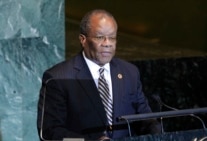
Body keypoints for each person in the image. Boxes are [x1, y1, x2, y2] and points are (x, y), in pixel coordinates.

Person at [37, 9, 161, 140]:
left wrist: (159, 135)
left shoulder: (129, 72)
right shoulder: (58, 77)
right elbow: (50, 134)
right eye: (100, 37)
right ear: (83, 40)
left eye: (112, 37)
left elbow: (145, 119)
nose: (107, 43)